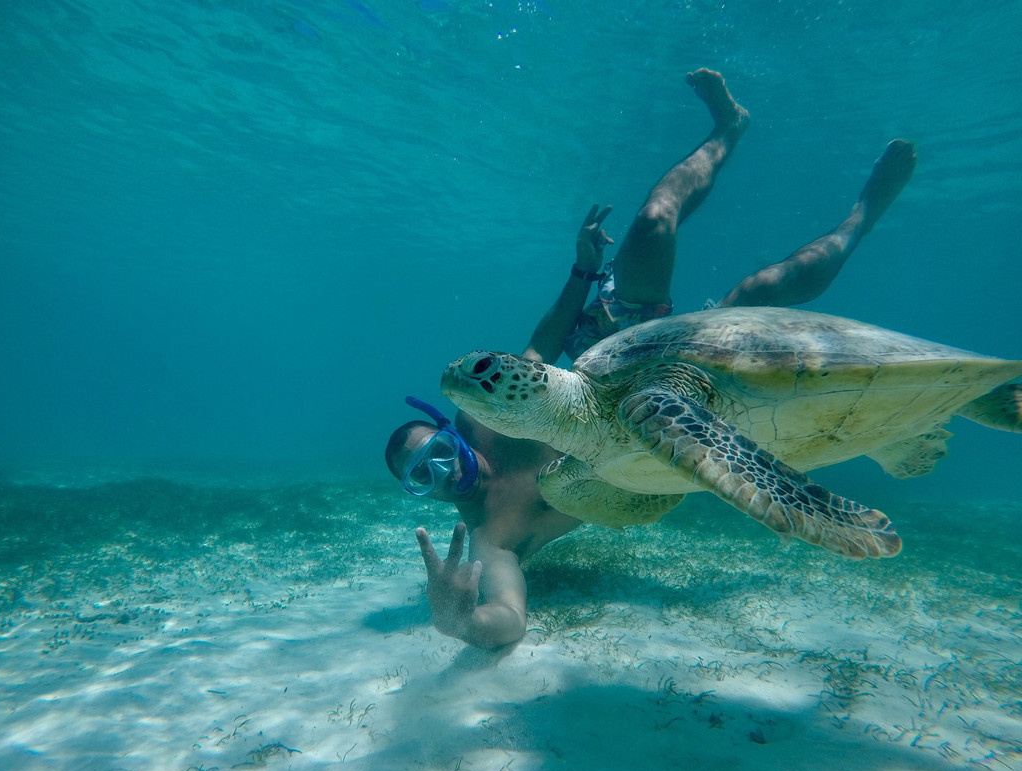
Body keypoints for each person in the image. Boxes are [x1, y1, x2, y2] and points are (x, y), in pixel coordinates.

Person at [385, 68, 917, 649]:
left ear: (449, 430)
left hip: (620, 359)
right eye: (421, 478)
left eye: (436, 454)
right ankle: (862, 214)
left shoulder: (484, 415)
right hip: (661, 426)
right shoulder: (492, 534)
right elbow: (509, 618)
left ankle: (728, 128)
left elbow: (546, 339)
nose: (442, 472)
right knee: (760, 292)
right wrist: (459, 620)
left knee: (653, 223)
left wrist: (583, 269)